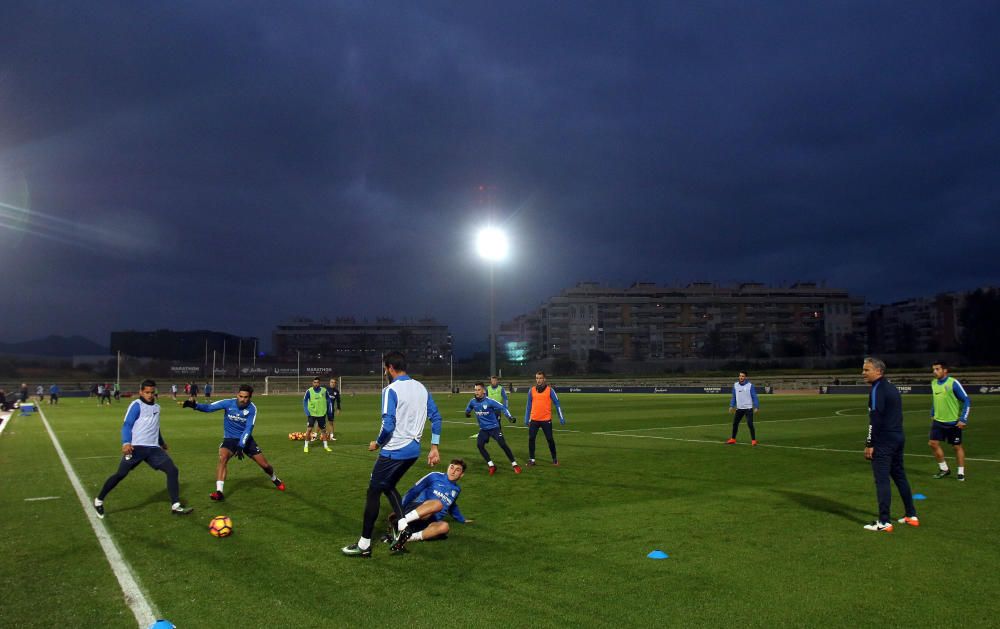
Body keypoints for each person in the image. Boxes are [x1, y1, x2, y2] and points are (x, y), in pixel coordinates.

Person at [342, 352, 442, 558]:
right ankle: (404, 525)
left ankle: (364, 545)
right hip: (414, 450)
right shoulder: (421, 388)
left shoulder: (390, 390)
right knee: (388, 486)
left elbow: (388, 425)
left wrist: (377, 443)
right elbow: (437, 417)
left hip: (394, 450)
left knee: (373, 491)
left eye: (384, 369)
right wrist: (434, 447)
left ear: (389, 368)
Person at [92, 379, 194, 518]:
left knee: (172, 470)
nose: (150, 395)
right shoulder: (136, 405)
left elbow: (155, 427)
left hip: (153, 448)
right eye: (147, 392)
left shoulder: (157, 407)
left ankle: (175, 505)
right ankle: (98, 500)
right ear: (141, 392)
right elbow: (127, 425)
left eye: (152, 392)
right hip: (136, 447)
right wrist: (126, 443)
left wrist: (162, 443)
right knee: (120, 474)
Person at [183, 384, 284, 500]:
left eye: (246, 397)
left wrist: (241, 445)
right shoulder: (228, 403)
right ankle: (219, 492)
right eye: (241, 396)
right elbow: (209, 408)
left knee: (265, 466)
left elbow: (248, 428)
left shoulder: (252, 409)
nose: (243, 399)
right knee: (223, 458)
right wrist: (195, 405)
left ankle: (274, 478)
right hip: (230, 439)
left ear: (250, 398)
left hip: (246, 439)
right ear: (237, 395)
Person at [861, 357, 918, 532]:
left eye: (866, 370)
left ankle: (884, 522)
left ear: (878, 371)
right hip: (898, 437)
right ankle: (911, 515)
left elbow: (875, 418)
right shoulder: (891, 387)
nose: (863, 373)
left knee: (882, 480)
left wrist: (870, 442)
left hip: (884, 440)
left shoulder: (877, 389)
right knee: (900, 476)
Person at [381, 459, 471, 548]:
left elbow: (452, 506)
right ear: (448, 468)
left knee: (445, 527)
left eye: (457, 470)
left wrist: (462, 519)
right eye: (451, 467)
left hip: (430, 521)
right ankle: (400, 521)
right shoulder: (434, 476)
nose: (453, 471)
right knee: (438, 504)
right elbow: (413, 491)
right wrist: (399, 511)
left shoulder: (457, 490)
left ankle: (405, 538)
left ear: (461, 474)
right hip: (418, 510)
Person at [928, 361, 971, 481]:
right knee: (933, 443)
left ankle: (961, 472)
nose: (934, 372)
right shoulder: (933, 383)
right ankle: (944, 469)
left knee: (957, 447)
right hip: (938, 421)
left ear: (945, 370)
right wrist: (933, 412)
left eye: (937, 369)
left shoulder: (953, 383)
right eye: (933, 369)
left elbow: (967, 400)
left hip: (953, 422)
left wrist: (963, 419)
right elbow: (936, 399)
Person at [465, 382, 521, 475]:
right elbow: (468, 409)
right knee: (480, 445)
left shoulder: (489, 401)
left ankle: (514, 464)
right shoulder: (472, 402)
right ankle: (491, 465)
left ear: (483, 391)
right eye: (475, 390)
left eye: (478, 390)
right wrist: (467, 413)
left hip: (494, 428)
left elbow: (503, 408)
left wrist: (509, 417)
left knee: (503, 444)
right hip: (483, 429)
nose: (476, 392)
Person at [524, 371, 566, 466]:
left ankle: (554, 459)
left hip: (546, 420)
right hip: (534, 419)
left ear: (544, 379)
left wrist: (561, 417)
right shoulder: (532, 390)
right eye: (537, 378)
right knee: (531, 439)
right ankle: (532, 460)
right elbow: (528, 406)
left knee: (550, 439)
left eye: (540, 378)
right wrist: (526, 418)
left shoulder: (550, 390)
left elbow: (557, 403)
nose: (538, 380)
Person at [726, 371, 760, 445]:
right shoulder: (735, 385)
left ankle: (753, 440)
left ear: (745, 377)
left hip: (748, 408)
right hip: (739, 409)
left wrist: (756, 407)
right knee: (735, 424)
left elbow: (754, 397)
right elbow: (734, 397)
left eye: (743, 376)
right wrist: (731, 406)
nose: (741, 377)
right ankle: (733, 439)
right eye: (740, 376)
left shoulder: (750, 386)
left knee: (750, 424)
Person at [302, 377, 334, 452]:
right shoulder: (309, 391)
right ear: (312, 383)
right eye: (315, 382)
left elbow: (328, 399)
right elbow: (305, 401)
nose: (316, 384)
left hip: (321, 414)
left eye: (317, 382)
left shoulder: (324, 390)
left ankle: (326, 446)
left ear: (319, 383)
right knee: (309, 429)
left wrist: (329, 410)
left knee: (323, 430)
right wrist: (307, 411)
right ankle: (306, 446)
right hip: (312, 414)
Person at [327, 376, 342, 440]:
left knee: (331, 422)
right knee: (320, 422)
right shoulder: (325, 390)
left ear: (335, 384)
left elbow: (338, 401)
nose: (333, 383)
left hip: (331, 409)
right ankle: (315, 435)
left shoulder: (336, 391)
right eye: (332, 382)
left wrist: (338, 409)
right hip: (323, 408)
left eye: (334, 382)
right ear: (329, 383)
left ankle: (331, 436)